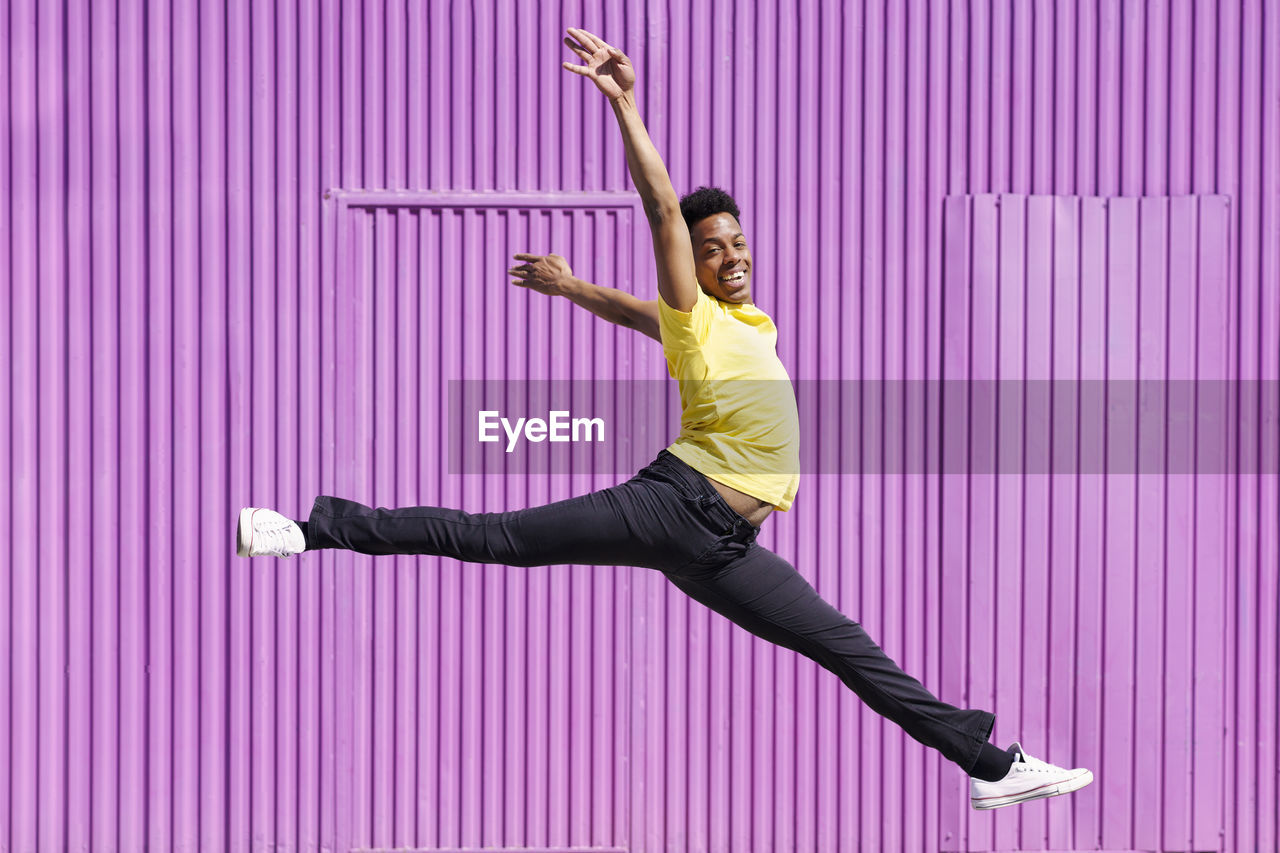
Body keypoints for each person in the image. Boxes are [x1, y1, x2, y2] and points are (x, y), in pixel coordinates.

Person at [236, 27, 1092, 810]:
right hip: (673, 504)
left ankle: (988, 765)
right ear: (696, 260)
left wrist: (573, 289)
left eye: (737, 241)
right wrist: (625, 105)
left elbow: (631, 310)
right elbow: (658, 210)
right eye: (712, 246)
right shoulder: (697, 309)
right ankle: (309, 529)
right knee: (490, 536)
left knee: (843, 644)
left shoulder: (732, 324)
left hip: (721, 546)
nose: (731, 255)